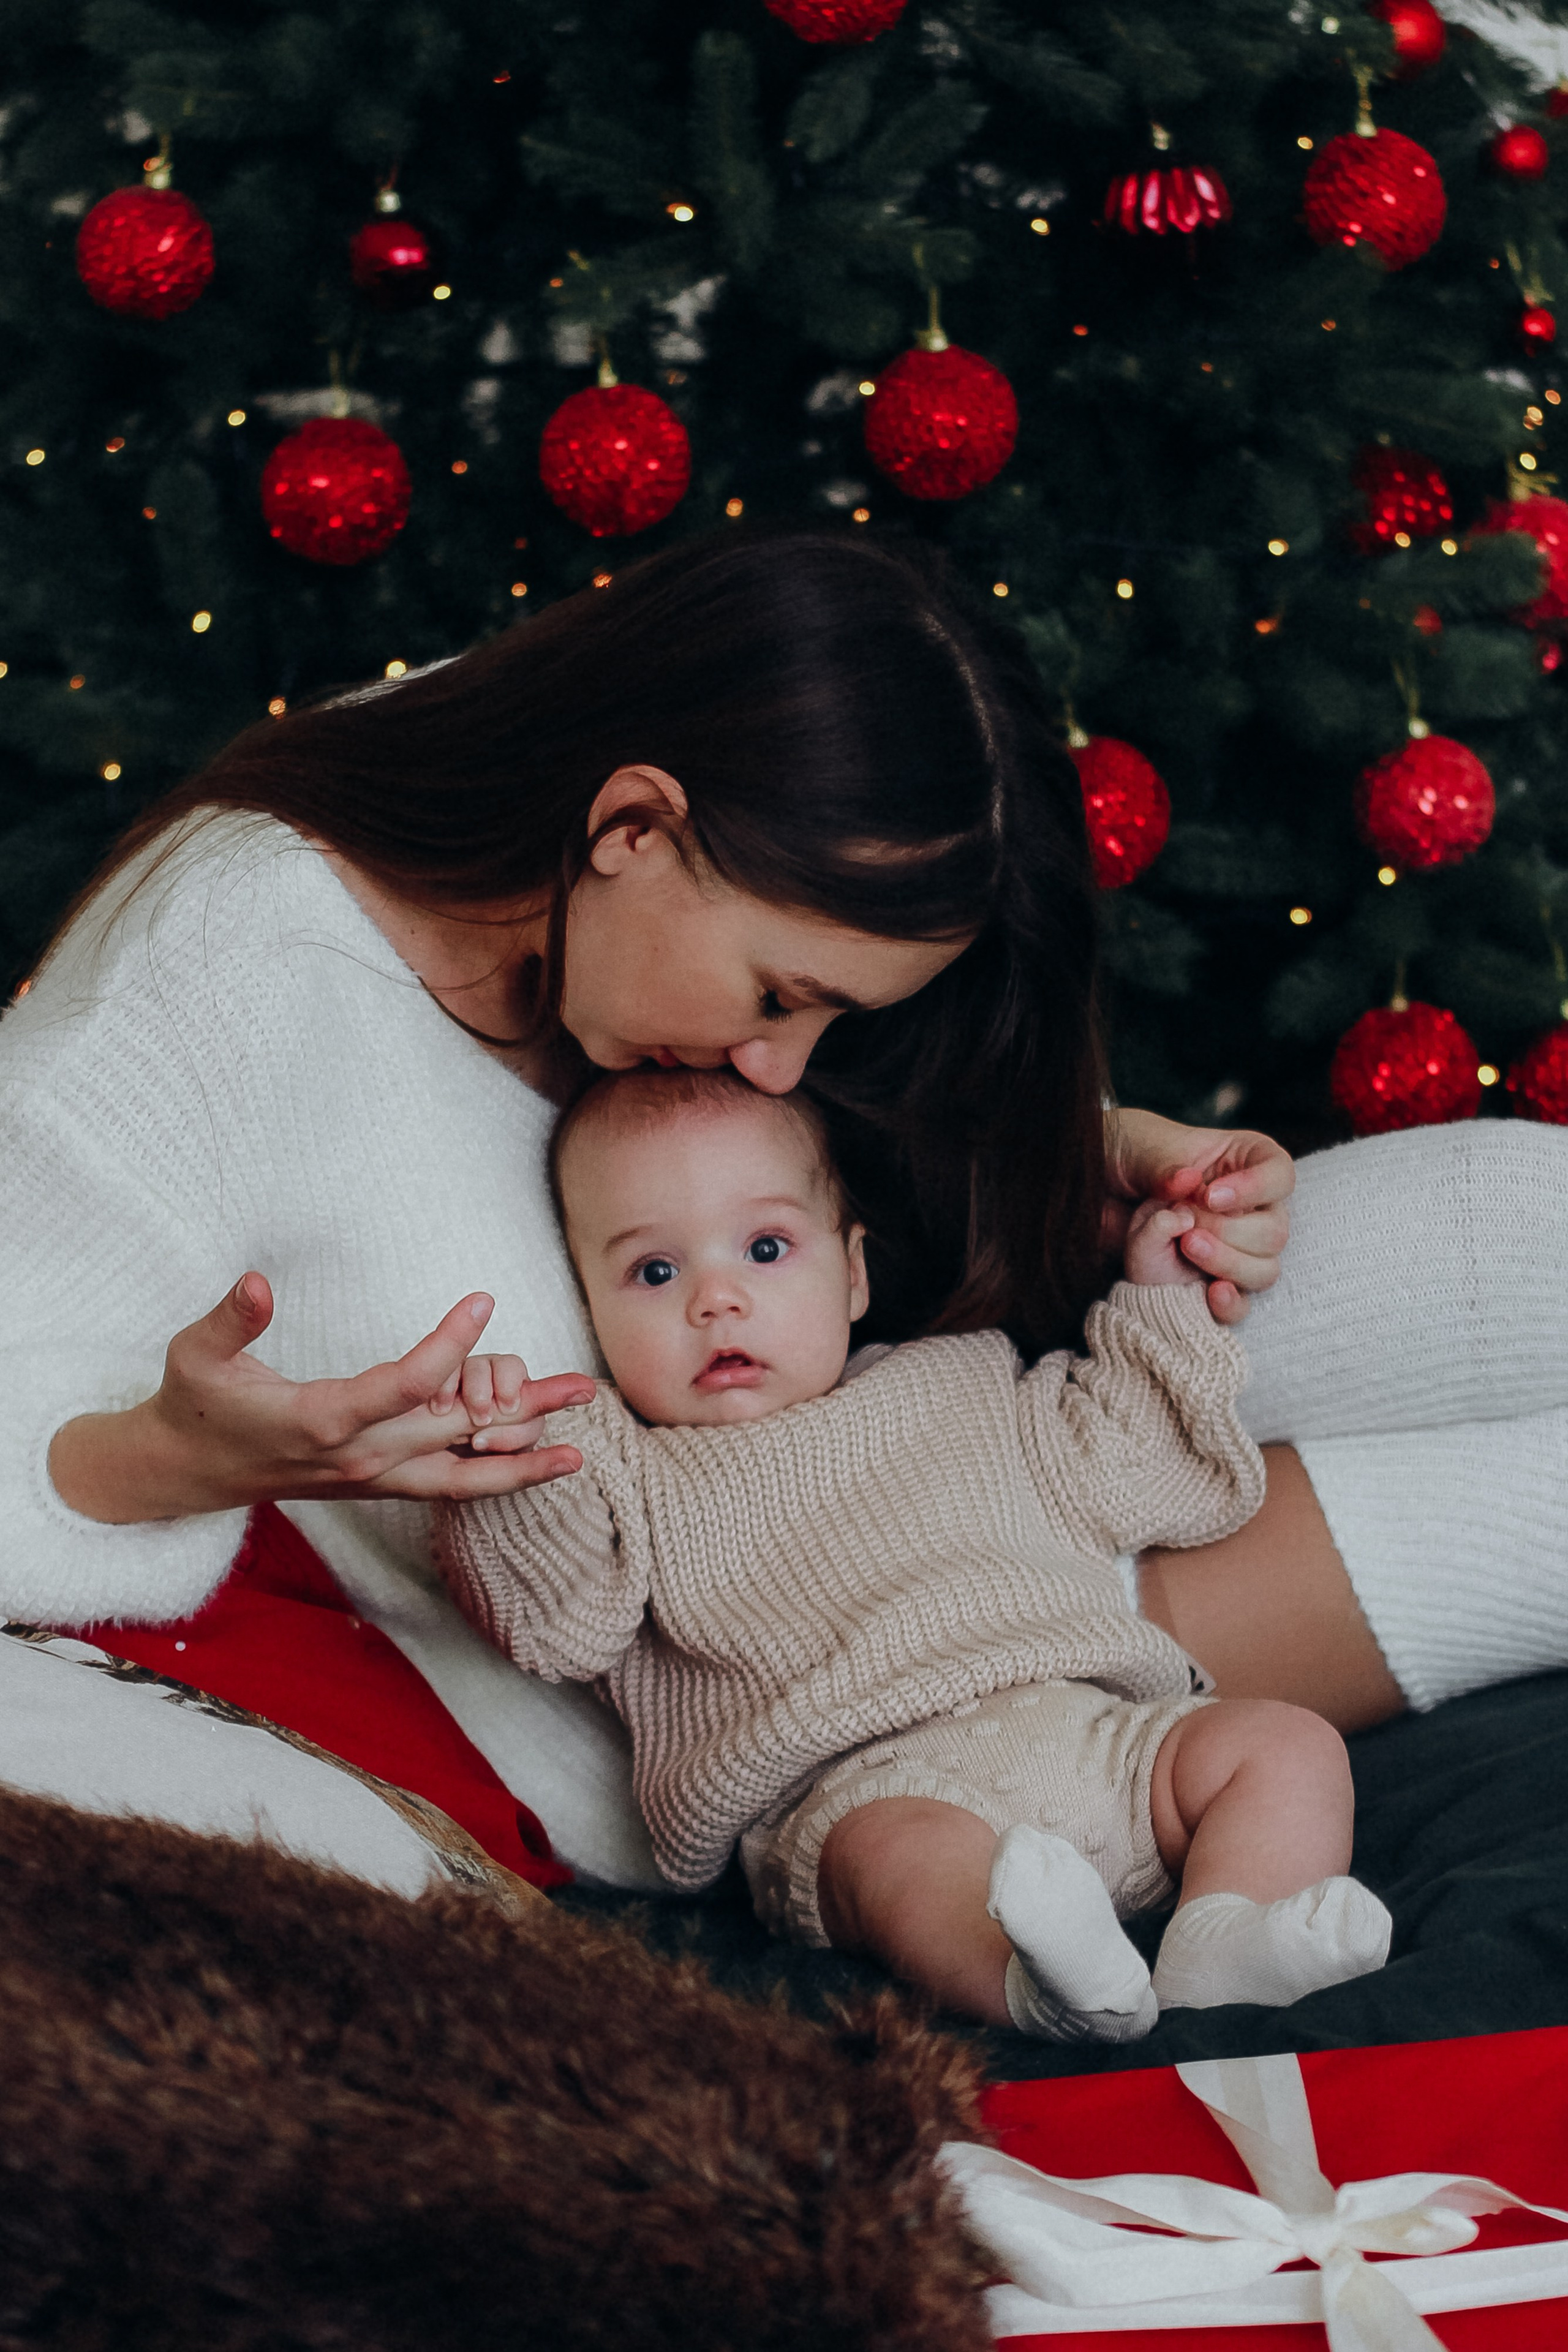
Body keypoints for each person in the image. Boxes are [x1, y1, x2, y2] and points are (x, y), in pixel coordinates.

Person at [0, 526, 1559, 1883]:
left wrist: (1077, 1148)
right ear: (630, 828)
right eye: (776, 995)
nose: (779, 1063)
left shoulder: (554, 825)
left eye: (830, 1022)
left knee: (1512, 1203)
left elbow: (773, 1149)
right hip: (836, 1672)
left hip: (958, 1428)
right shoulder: (228, 967)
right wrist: (171, 1459)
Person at [435, 1067, 1393, 2036]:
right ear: (587, 1303)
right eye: (654, 1272)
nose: (715, 1301)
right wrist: (511, 1470)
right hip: (862, 1790)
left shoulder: (964, 1384)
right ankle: (1033, 1986)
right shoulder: (625, 1469)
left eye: (766, 1249)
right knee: (896, 1866)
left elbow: (1147, 1467)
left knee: (1285, 1747)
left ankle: (1225, 1938)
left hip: (1098, 1739)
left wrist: (1162, 1295)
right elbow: (561, 1623)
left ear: (852, 1274)